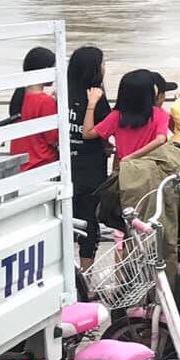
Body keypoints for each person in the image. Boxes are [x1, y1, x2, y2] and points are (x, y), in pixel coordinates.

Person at [67, 46, 110, 264]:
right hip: (92, 170)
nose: (104, 68)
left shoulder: (62, 94)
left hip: (67, 167)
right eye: (102, 63)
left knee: (66, 220)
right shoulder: (96, 96)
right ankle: (86, 277)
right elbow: (104, 129)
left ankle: (70, 277)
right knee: (90, 224)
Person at [83, 68, 171, 165]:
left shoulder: (116, 116)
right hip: (149, 168)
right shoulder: (160, 114)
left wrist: (91, 103)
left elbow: (87, 134)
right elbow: (160, 139)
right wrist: (132, 157)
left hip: (125, 168)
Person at [9, 46, 60, 171]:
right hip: (41, 163)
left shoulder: (18, 95)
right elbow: (53, 139)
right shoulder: (46, 102)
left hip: (20, 164)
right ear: (45, 70)